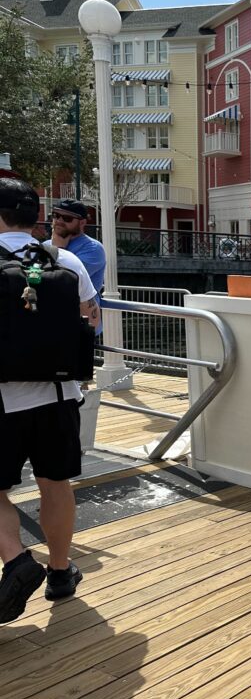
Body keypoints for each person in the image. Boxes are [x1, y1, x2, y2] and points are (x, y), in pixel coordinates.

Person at [0, 178, 99, 622]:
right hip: (60, 394)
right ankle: (60, 572)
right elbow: (90, 320)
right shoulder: (66, 259)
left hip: (2, 399)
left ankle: (18, 561)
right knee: (54, 484)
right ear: (35, 216)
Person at [45, 199, 106, 336]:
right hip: (49, 322)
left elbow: (63, 278)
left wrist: (57, 248)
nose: (59, 221)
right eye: (55, 215)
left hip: (80, 326)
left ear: (82, 222)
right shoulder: (46, 244)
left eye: (67, 218)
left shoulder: (93, 248)